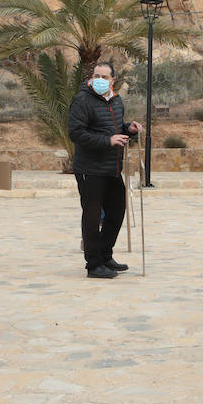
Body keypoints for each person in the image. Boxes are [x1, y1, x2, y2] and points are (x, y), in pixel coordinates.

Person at [68, 61, 142, 277]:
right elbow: (76, 133)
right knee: (92, 216)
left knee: (117, 211)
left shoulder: (116, 100)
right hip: (89, 169)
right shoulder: (82, 100)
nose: (99, 80)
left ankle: (106, 256)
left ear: (113, 80)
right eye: (96, 75)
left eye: (104, 77)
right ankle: (93, 265)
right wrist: (108, 141)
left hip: (112, 168)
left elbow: (114, 128)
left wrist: (128, 129)